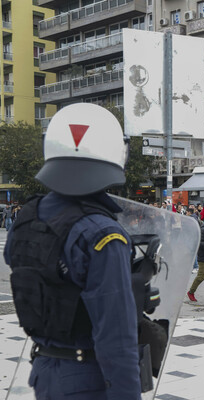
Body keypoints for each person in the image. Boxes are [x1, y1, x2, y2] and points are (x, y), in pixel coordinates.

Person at [4, 104, 142, 398]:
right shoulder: (103, 233)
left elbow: (30, 270)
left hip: (44, 370)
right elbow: (115, 338)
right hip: (89, 379)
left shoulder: (27, 217)